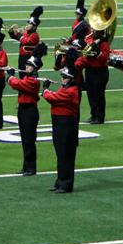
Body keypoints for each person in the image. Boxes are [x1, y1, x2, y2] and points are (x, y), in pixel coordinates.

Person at [8, 43, 47, 175]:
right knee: (25, 140)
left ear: (34, 68)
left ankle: (31, 168)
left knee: (29, 140)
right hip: (23, 110)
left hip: (30, 111)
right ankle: (26, 166)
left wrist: (11, 76)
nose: (26, 67)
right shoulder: (27, 77)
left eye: (29, 65)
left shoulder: (33, 81)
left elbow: (17, 84)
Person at [44, 62, 81, 193]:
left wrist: (45, 90)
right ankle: (60, 182)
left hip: (66, 125)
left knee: (66, 155)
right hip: (59, 124)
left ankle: (66, 184)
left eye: (65, 77)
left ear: (71, 78)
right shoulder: (65, 88)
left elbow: (53, 98)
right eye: (62, 76)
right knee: (60, 155)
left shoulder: (71, 91)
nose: (62, 79)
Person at [75, 22, 112, 124]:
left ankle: (99, 117)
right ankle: (93, 114)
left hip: (100, 72)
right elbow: (85, 55)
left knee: (98, 95)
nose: (92, 32)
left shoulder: (104, 43)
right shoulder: (91, 41)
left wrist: (97, 52)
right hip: (90, 71)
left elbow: (104, 58)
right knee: (91, 94)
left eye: (95, 30)